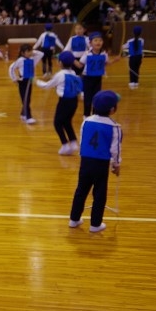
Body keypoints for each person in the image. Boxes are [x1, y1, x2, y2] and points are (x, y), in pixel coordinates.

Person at [68, 90, 122, 233]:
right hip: (101, 163)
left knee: (81, 190)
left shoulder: (86, 121)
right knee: (99, 193)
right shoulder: (115, 127)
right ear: (112, 109)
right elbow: (115, 149)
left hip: (86, 161)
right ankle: (95, 224)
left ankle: (74, 219)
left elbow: (83, 140)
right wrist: (116, 164)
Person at [36, 51, 83, 155]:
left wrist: (37, 82)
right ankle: (73, 142)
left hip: (64, 102)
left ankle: (65, 144)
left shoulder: (60, 74)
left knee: (57, 123)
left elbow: (48, 85)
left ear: (60, 62)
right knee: (67, 122)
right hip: (74, 101)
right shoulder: (74, 74)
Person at [80, 32, 115, 117]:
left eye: (100, 40)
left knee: (97, 97)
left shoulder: (104, 53)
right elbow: (81, 64)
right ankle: (86, 115)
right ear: (90, 43)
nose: (98, 42)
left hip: (98, 78)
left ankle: (95, 114)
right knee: (88, 98)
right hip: (87, 78)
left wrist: (114, 60)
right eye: (95, 40)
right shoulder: (87, 53)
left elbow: (105, 63)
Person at [8, 44, 44, 124]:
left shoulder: (32, 59)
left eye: (30, 51)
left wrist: (32, 52)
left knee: (27, 99)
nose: (30, 52)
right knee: (25, 99)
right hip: (23, 81)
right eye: (28, 51)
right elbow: (11, 68)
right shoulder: (20, 60)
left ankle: (23, 114)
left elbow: (41, 54)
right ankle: (28, 117)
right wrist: (14, 78)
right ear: (22, 52)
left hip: (29, 81)